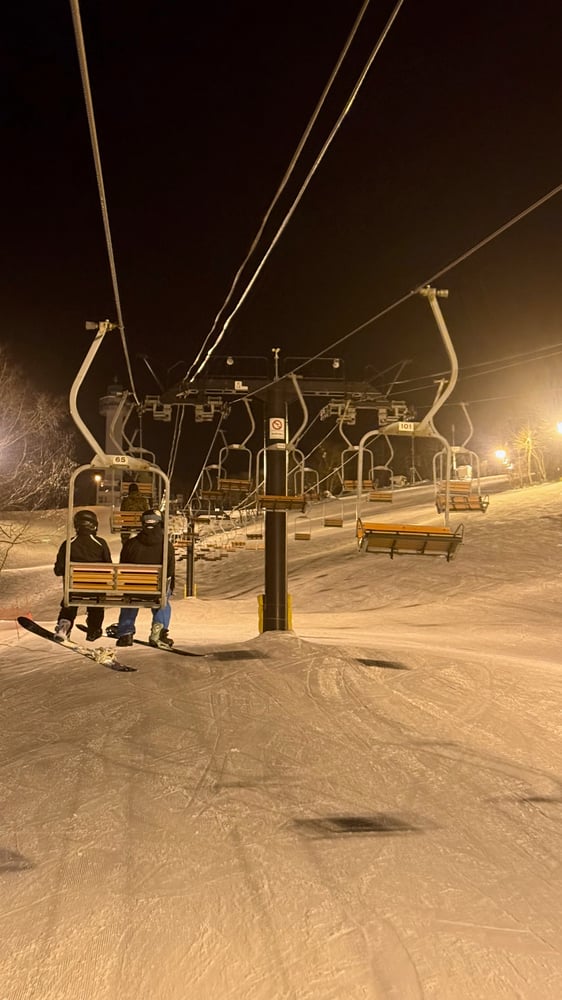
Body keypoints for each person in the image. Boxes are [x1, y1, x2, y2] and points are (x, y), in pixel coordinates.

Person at [115, 509, 176, 649]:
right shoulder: (166, 545)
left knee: (130, 597)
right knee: (163, 600)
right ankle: (158, 633)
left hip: (133, 589)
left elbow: (123, 566)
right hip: (156, 590)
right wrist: (170, 588)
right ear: (160, 523)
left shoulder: (131, 544)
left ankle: (125, 632)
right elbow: (170, 572)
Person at [54, 509, 112, 642]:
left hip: (74, 589)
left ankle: (64, 626)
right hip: (96, 590)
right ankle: (94, 628)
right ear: (94, 525)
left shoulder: (68, 544)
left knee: (70, 601)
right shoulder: (100, 543)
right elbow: (109, 567)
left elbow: (58, 570)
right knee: (96, 603)